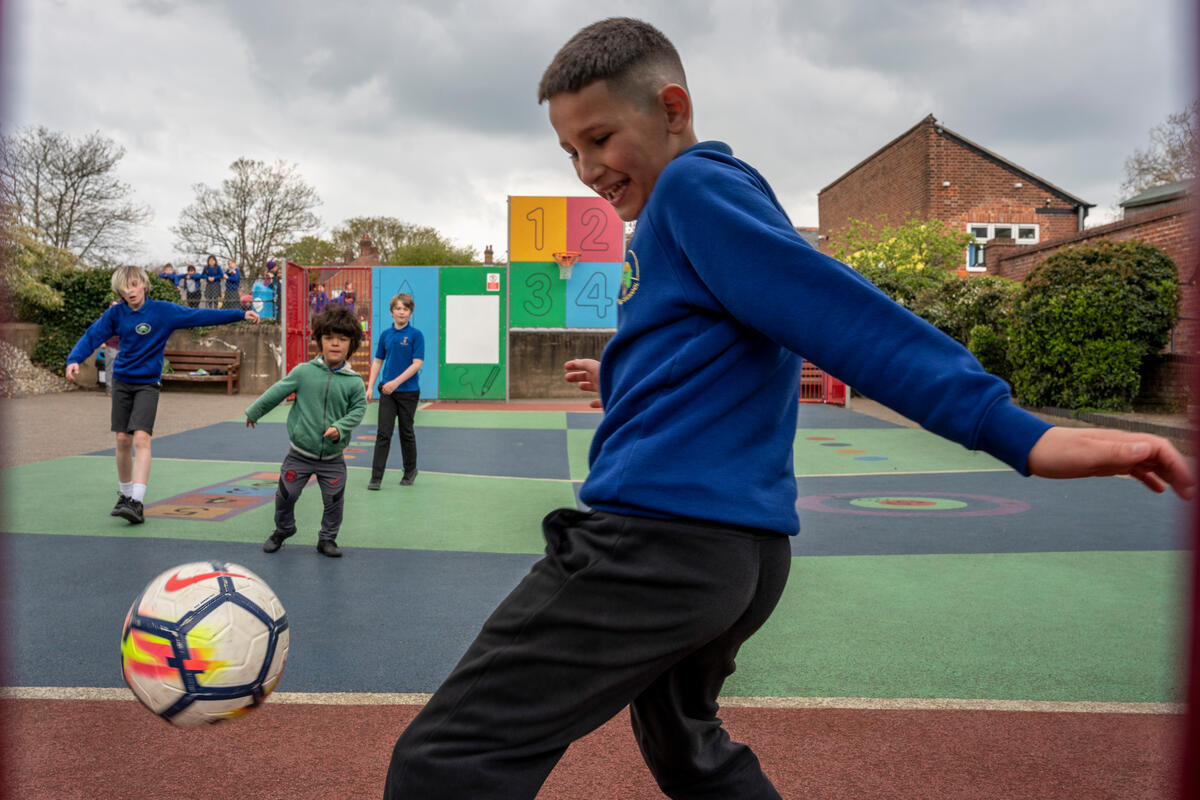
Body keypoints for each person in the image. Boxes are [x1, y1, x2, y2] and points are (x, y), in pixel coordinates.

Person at [381, 18, 1197, 800]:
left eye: (599, 139)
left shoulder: (692, 189)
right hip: (738, 553)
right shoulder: (695, 206)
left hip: (661, 543)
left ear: (673, 109)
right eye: (569, 151)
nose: (587, 168)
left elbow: (834, 312)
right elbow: (726, 336)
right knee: (688, 754)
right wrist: (626, 375)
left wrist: (1016, 431)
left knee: (449, 756)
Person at [65, 266, 260, 524]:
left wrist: (239, 313)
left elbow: (200, 315)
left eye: (134, 285)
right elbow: (93, 334)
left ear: (144, 285)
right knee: (123, 439)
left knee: (141, 439)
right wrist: (75, 358)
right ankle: (124, 496)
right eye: (124, 288)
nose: (130, 291)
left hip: (148, 384)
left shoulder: (163, 311)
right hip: (122, 381)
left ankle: (136, 502)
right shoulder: (116, 314)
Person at [245, 304, 366, 558]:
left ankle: (327, 539)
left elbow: (357, 410)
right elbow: (277, 390)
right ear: (319, 340)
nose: (335, 344)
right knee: (286, 495)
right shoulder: (304, 372)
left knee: (334, 501)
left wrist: (340, 428)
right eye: (329, 338)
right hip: (299, 454)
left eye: (342, 339)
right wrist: (254, 411)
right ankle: (284, 529)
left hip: (332, 459)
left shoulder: (354, 382)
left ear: (351, 344)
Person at [365, 292, 424, 490]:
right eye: (398, 309)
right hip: (387, 393)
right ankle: (376, 478)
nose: (402, 312)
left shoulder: (416, 335)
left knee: (406, 432)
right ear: (391, 312)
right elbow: (378, 361)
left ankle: (410, 470)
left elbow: (417, 364)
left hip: (408, 392)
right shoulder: (385, 335)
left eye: (405, 309)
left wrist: (396, 383)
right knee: (383, 433)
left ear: (410, 312)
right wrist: (371, 386)